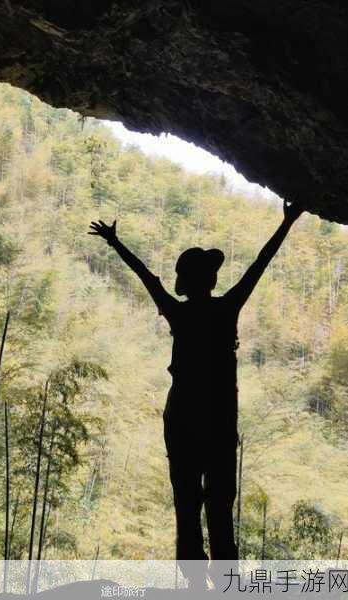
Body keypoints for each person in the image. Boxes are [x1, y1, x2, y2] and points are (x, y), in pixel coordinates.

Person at [88, 200, 303, 587]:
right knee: (219, 507)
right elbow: (259, 265)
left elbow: (147, 278)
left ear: (185, 282)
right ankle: (225, 586)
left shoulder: (178, 312)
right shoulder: (226, 309)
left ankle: (193, 586)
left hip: (183, 421)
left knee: (186, 506)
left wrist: (115, 243)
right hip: (219, 424)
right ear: (209, 281)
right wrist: (287, 222)